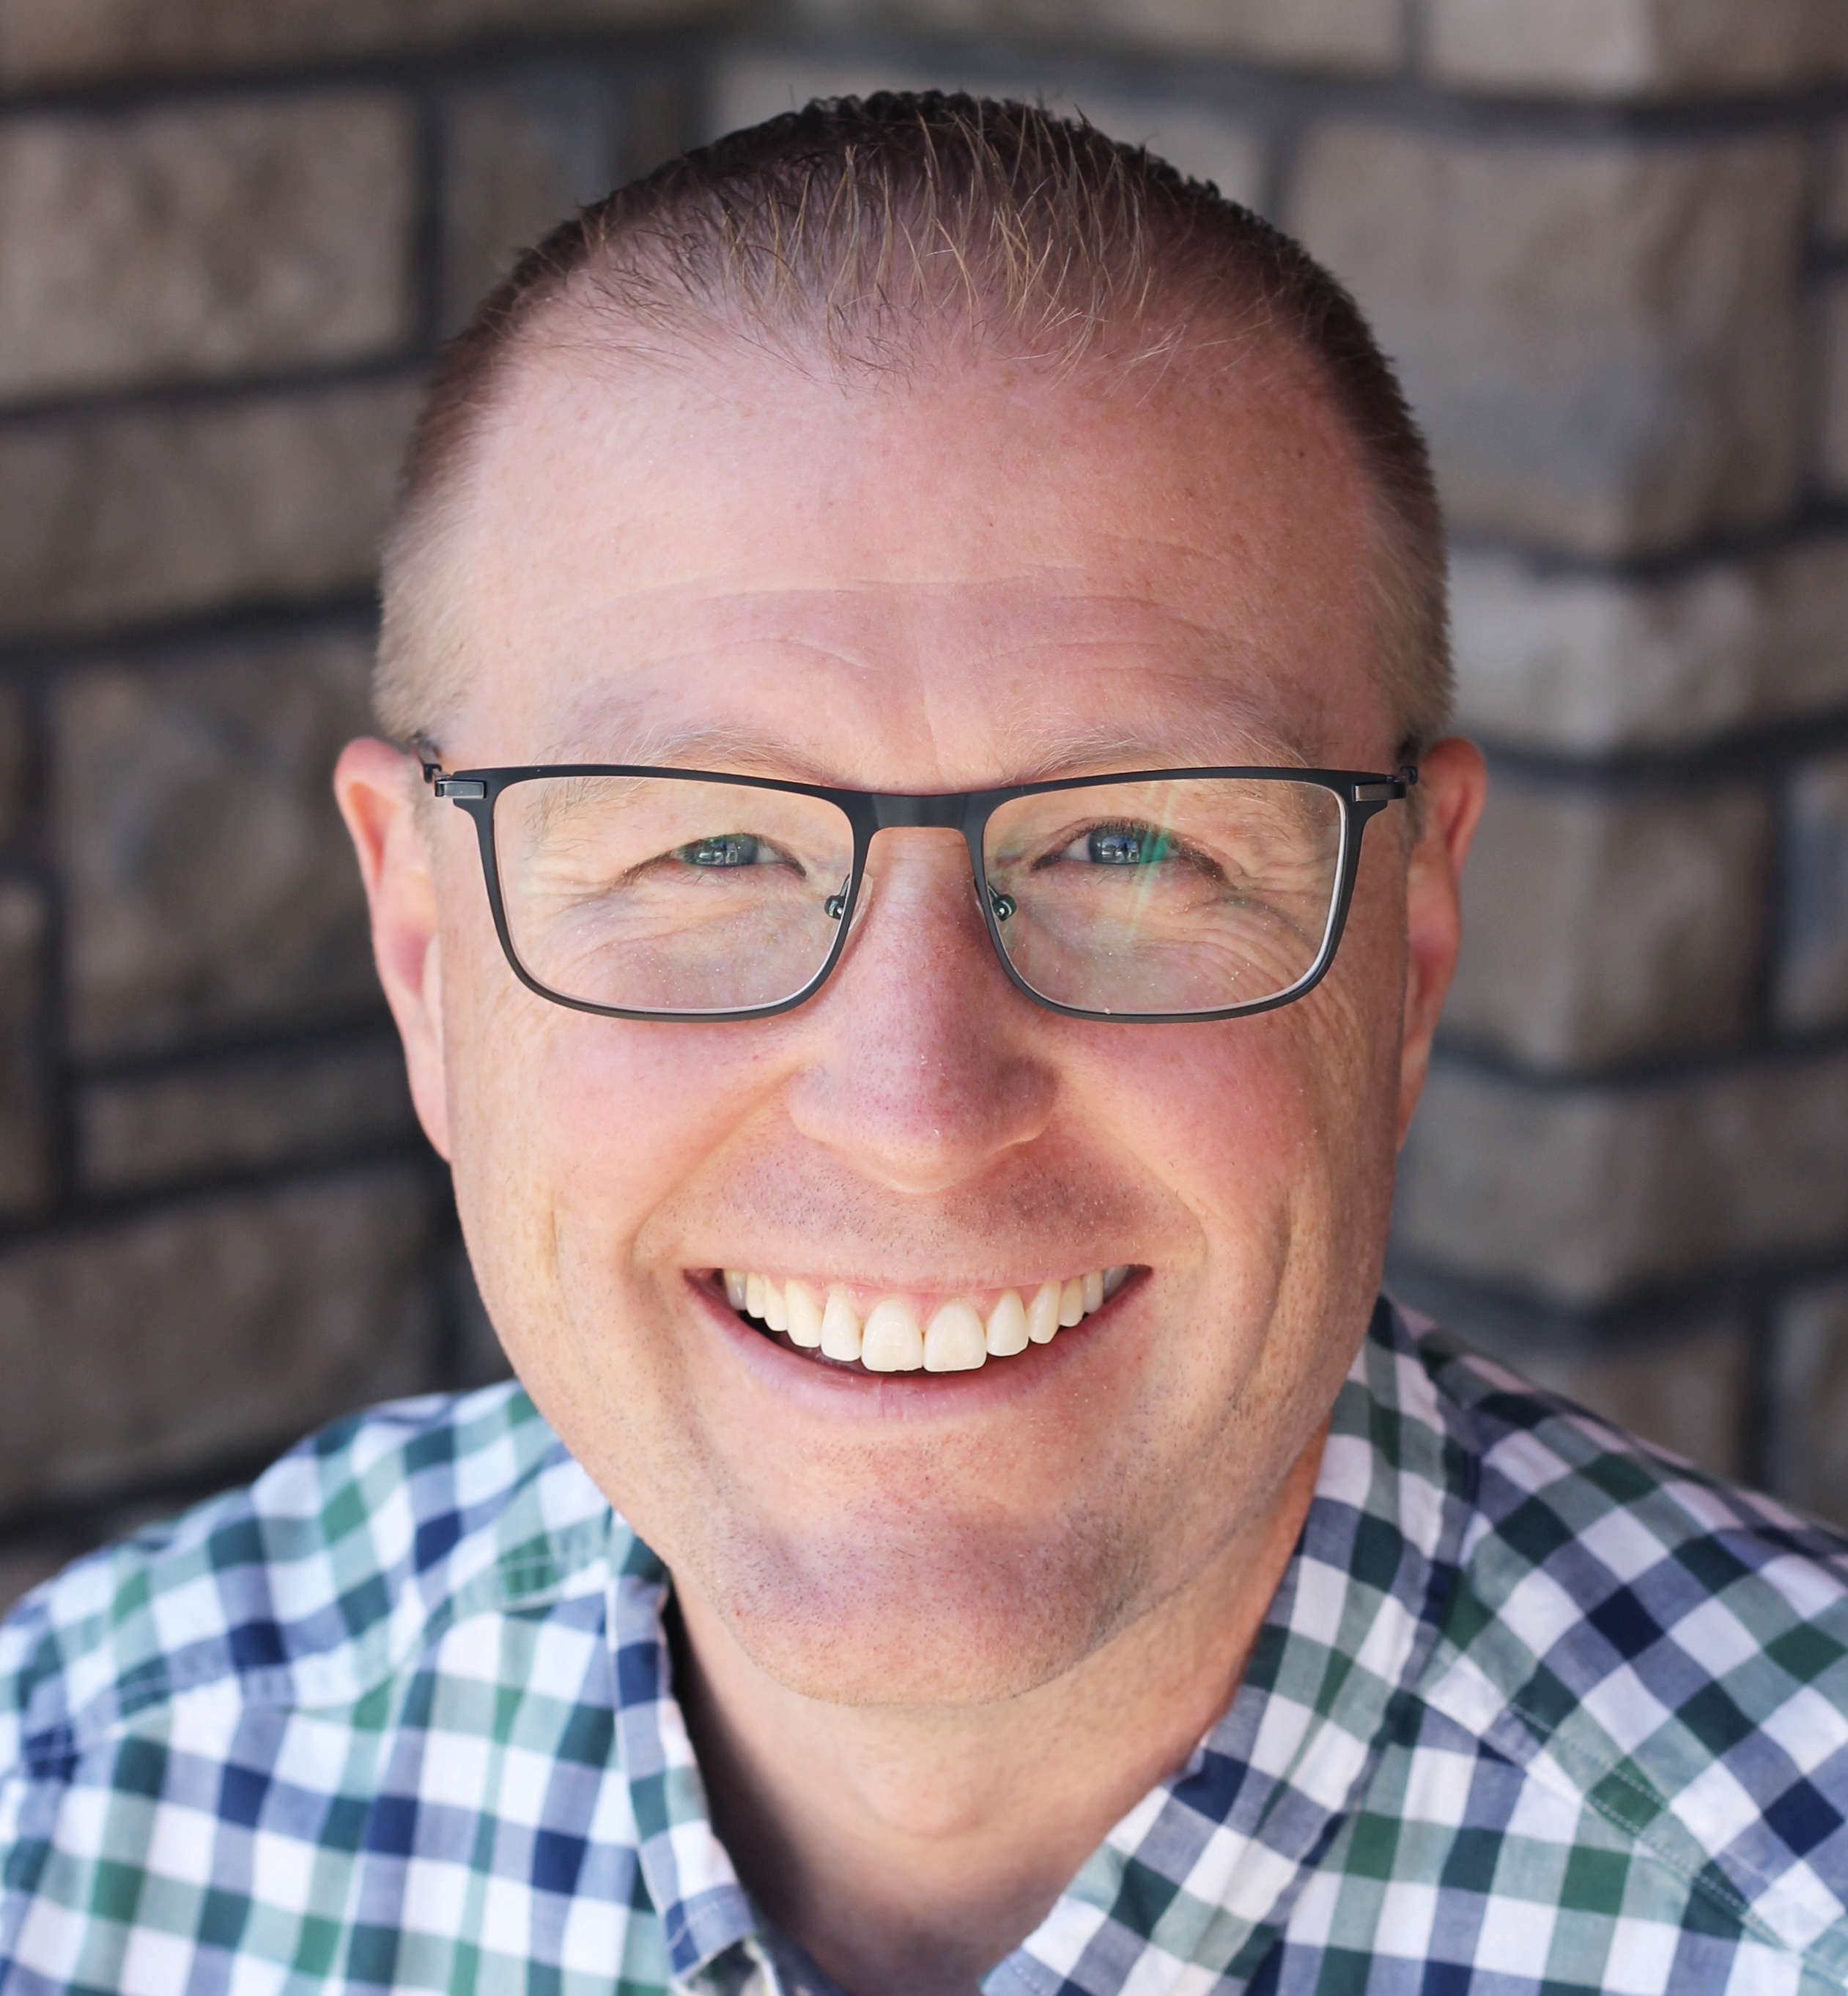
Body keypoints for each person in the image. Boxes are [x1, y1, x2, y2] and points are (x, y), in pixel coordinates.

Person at [4, 94, 1846, 1996]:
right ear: (423, 952)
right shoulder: (69, 1834)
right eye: (709, 849)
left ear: (1412, 942)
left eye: (1131, 847)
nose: (916, 1111)